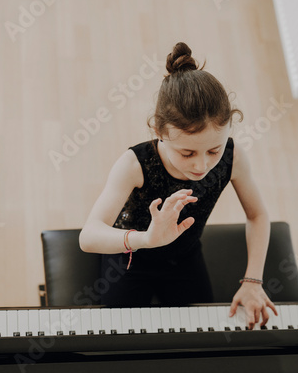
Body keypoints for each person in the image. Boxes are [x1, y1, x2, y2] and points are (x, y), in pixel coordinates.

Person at [79, 42, 278, 329]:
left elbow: (258, 215)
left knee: (201, 342)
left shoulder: (234, 157)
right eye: (187, 153)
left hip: (184, 258)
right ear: (159, 131)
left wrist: (253, 280)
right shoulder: (134, 164)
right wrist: (147, 239)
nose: (202, 166)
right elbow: (89, 236)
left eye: (213, 150)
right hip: (130, 258)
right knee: (120, 343)